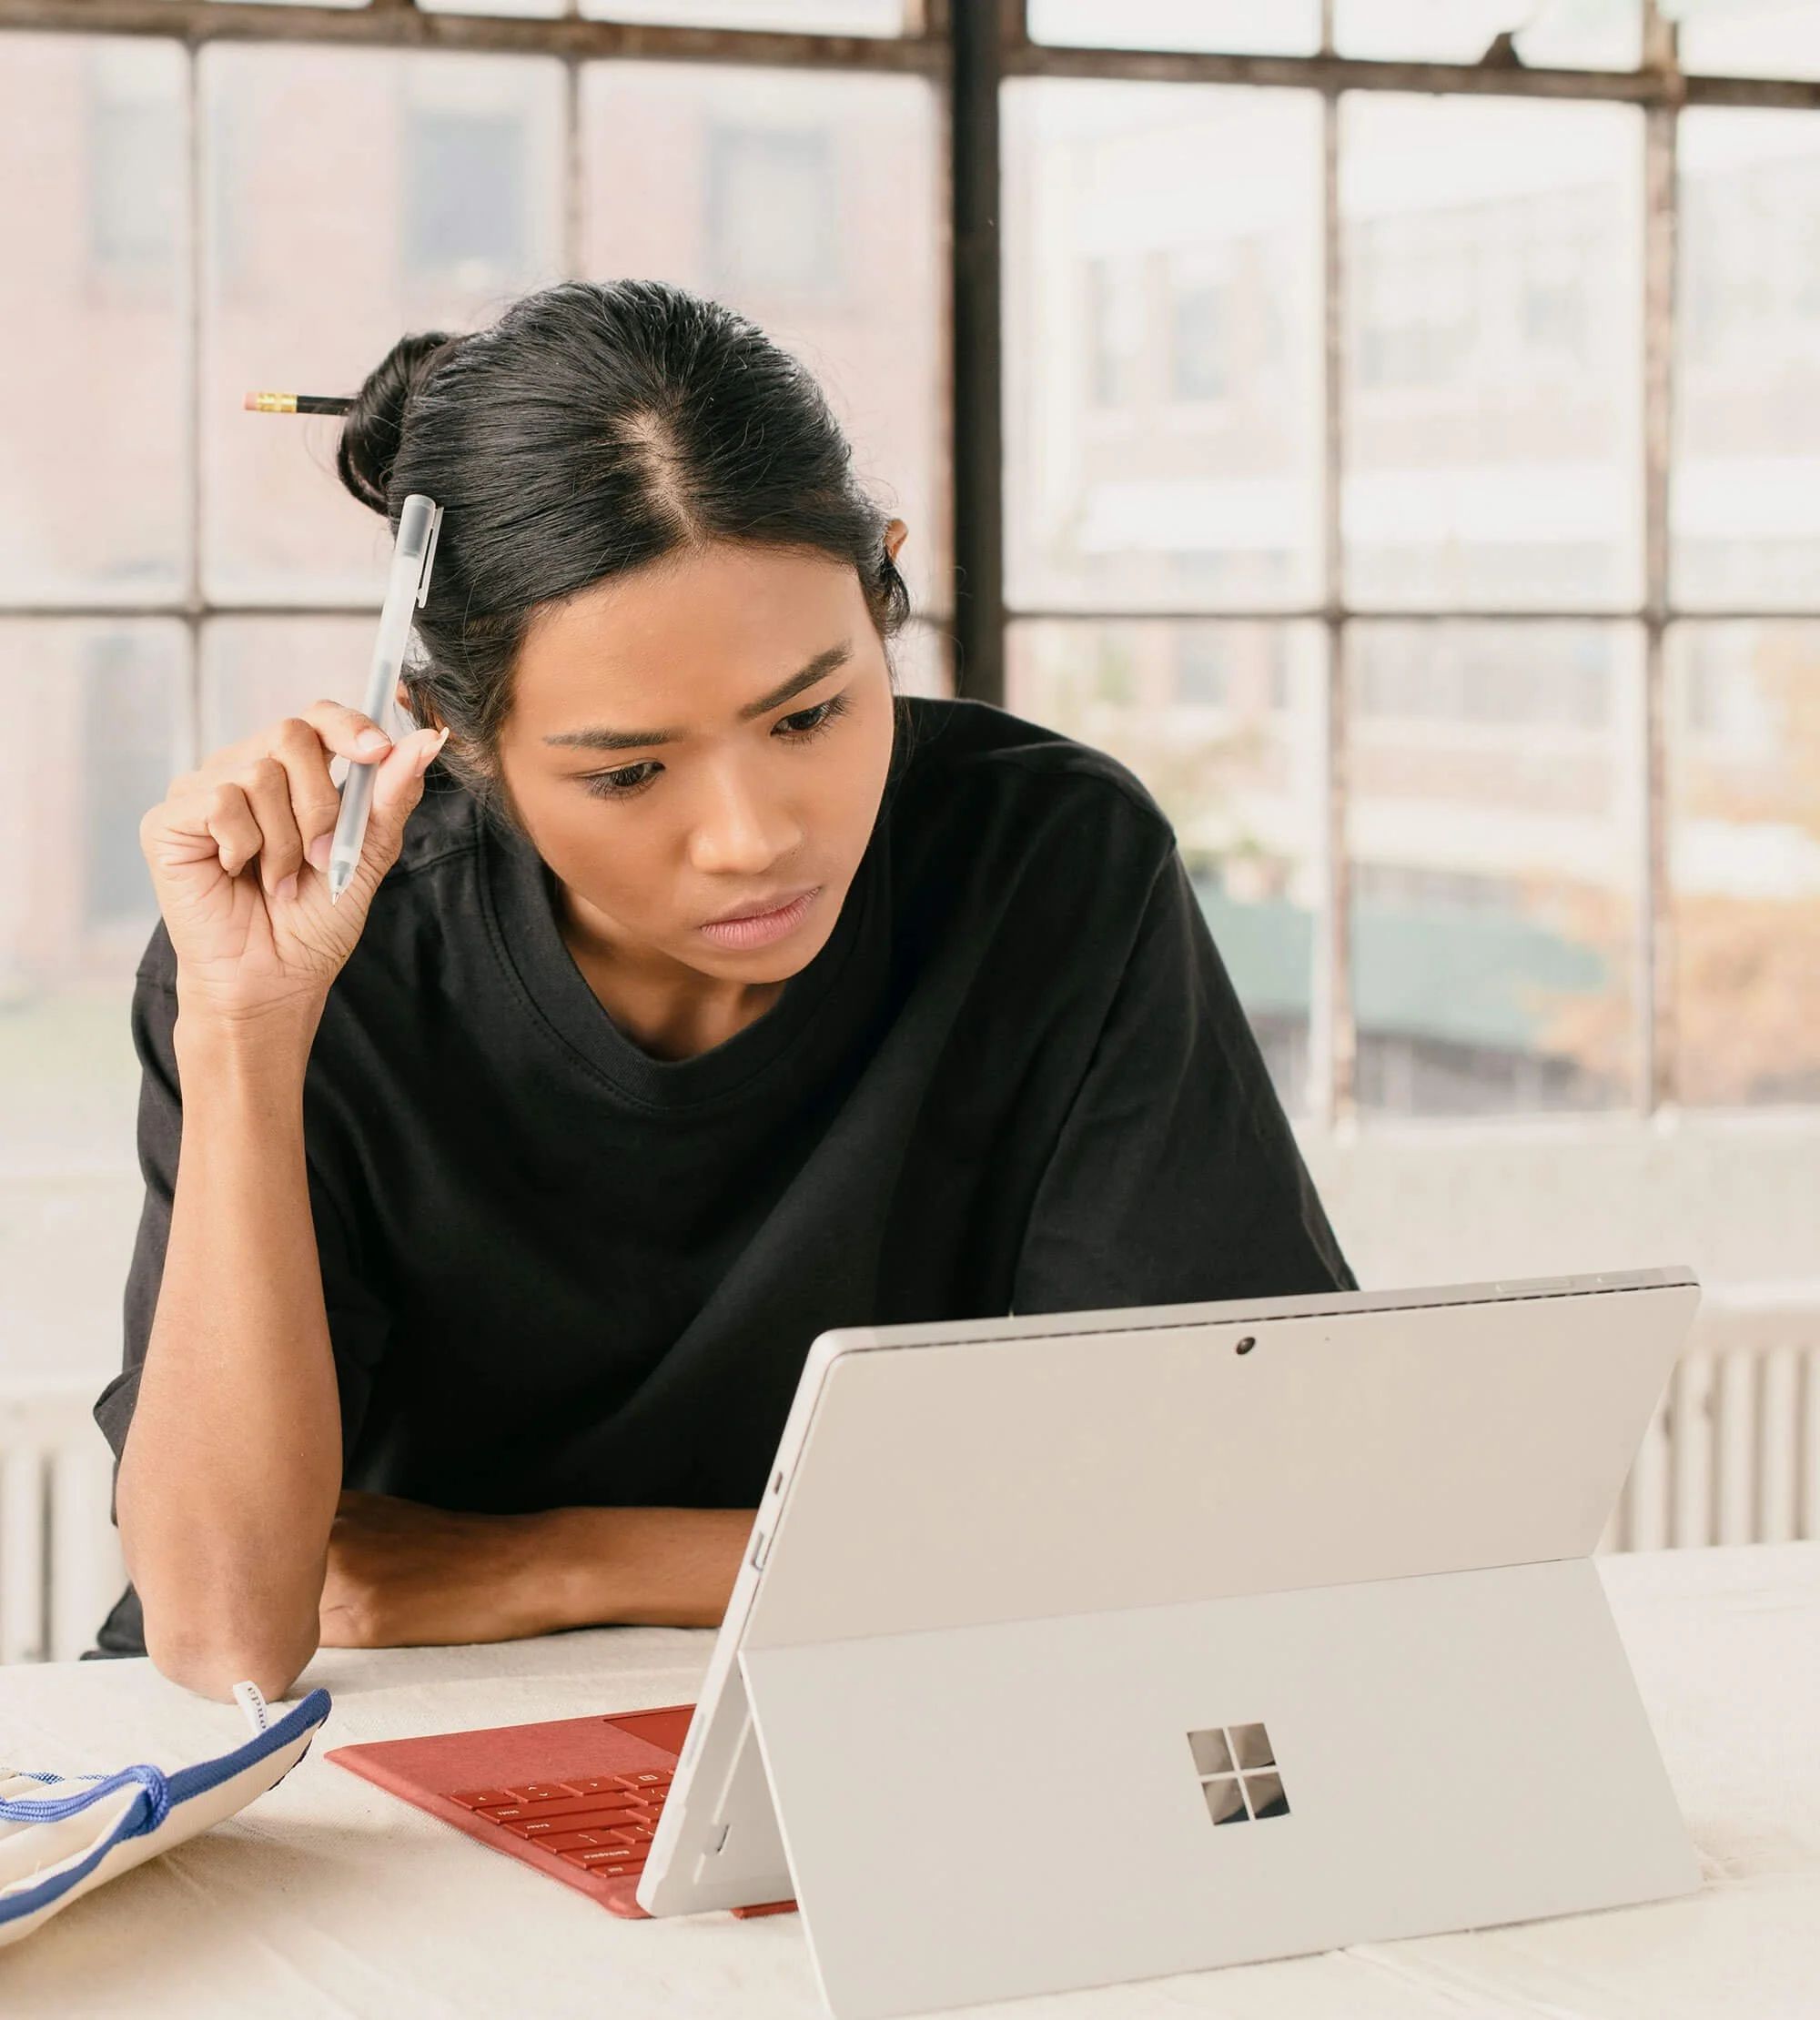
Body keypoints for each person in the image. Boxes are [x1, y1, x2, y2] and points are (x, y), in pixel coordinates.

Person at [97, 280, 1352, 1701]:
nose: (754, 835)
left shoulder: (1049, 861)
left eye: (812, 713)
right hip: (402, 1759)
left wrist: (555, 1565)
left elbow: (1236, 1503)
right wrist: (251, 1039)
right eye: (627, 770)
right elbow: (217, 1639)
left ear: (883, 587)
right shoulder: (321, 951)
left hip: (868, 1710)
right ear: (450, 732)